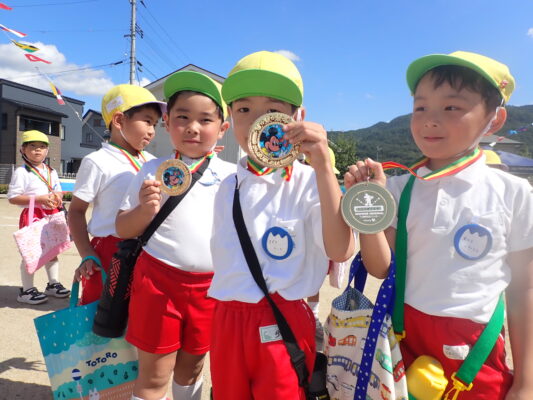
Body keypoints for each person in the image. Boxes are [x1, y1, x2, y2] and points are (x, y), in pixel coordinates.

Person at [345, 51, 533, 399]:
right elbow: (380, 268)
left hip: (476, 352)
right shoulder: (398, 188)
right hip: (404, 341)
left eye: (451, 107)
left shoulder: (513, 193)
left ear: (494, 119)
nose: (430, 120)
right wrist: (370, 203)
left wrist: (525, 383)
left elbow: (524, 291)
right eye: (420, 107)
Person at [207, 50, 355, 399]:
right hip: (227, 319)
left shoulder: (310, 181)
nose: (257, 121)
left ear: (298, 117)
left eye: (272, 110)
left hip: (284, 320)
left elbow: (341, 250)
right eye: (244, 110)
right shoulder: (227, 185)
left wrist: (322, 166)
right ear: (231, 117)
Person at [115, 71, 234, 400]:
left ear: (222, 128)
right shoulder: (150, 169)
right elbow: (122, 229)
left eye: (205, 119)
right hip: (157, 283)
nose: (193, 127)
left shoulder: (233, 176)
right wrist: (144, 210)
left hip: (211, 288)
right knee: (154, 376)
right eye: (182, 117)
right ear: (167, 123)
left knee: (191, 370)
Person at [69, 84, 166, 305]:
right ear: (119, 120)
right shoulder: (97, 161)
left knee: (138, 315)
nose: (152, 130)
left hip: (147, 249)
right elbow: (76, 211)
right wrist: (87, 253)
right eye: (147, 121)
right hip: (108, 251)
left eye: (155, 124)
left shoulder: (152, 162)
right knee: (104, 315)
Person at [8, 130, 70, 304]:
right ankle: (27, 290)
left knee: (53, 249)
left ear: (47, 151)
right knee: (31, 252)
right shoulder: (22, 172)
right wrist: (39, 199)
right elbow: (13, 197)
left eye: (42, 146)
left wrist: (58, 196)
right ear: (23, 149)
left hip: (51, 215)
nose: (38, 150)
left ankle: (53, 284)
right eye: (32, 146)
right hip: (32, 215)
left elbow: (58, 190)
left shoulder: (51, 171)